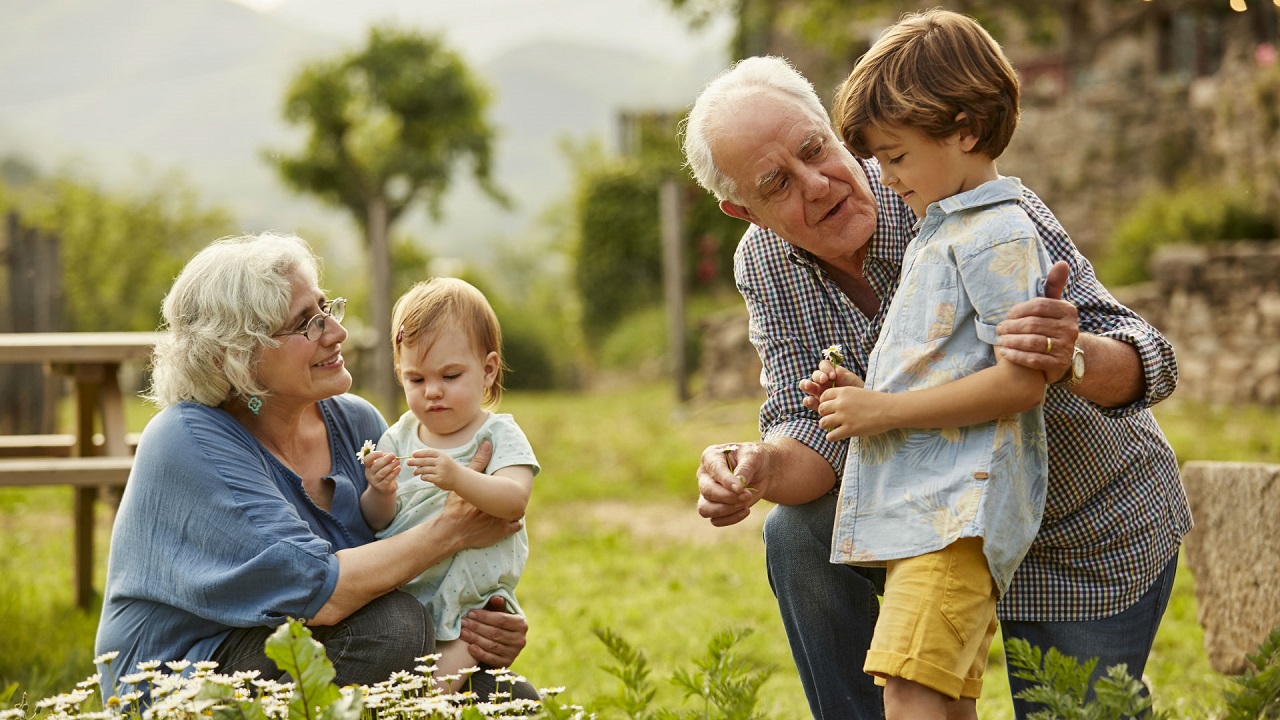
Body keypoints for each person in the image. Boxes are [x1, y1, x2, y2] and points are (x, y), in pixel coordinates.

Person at [681, 51, 1191, 720]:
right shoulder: (766, 262)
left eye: (814, 149)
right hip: (933, 524)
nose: (818, 184)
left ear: (831, 127)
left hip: (1076, 525)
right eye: (777, 183)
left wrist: (1070, 351)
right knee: (798, 533)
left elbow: (1150, 360)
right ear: (742, 210)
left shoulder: (959, 192)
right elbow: (811, 428)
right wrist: (759, 466)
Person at [94, 232, 537, 701]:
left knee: (510, 699)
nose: (337, 332)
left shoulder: (357, 422)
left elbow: (400, 554)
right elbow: (319, 593)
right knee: (393, 629)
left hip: (320, 642)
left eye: (327, 309)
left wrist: (483, 620)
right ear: (238, 355)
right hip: (186, 676)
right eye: (307, 323)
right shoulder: (187, 439)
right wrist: (453, 530)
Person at [805, 11, 1053, 718]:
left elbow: (1022, 381)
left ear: (964, 130)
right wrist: (864, 394)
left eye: (896, 157)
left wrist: (884, 411)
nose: (885, 179)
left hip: (957, 514)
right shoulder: (944, 228)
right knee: (937, 694)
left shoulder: (996, 234)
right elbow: (949, 367)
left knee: (910, 689)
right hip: (930, 513)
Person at [360, 277, 538, 692]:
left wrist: (459, 477)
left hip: (471, 601)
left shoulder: (498, 434)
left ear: (488, 370)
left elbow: (514, 500)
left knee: (430, 692)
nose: (433, 392)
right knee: (400, 678)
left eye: (451, 375)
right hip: (409, 589)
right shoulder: (397, 437)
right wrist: (380, 492)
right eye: (416, 380)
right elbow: (377, 521)